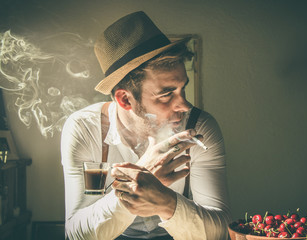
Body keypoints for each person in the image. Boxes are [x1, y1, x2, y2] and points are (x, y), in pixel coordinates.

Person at [61, 11, 231, 240]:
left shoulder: (199, 128)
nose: (183, 105)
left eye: (183, 88)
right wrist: (140, 180)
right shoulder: (86, 130)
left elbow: (219, 232)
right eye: (167, 94)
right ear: (125, 99)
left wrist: (167, 203)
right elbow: (78, 234)